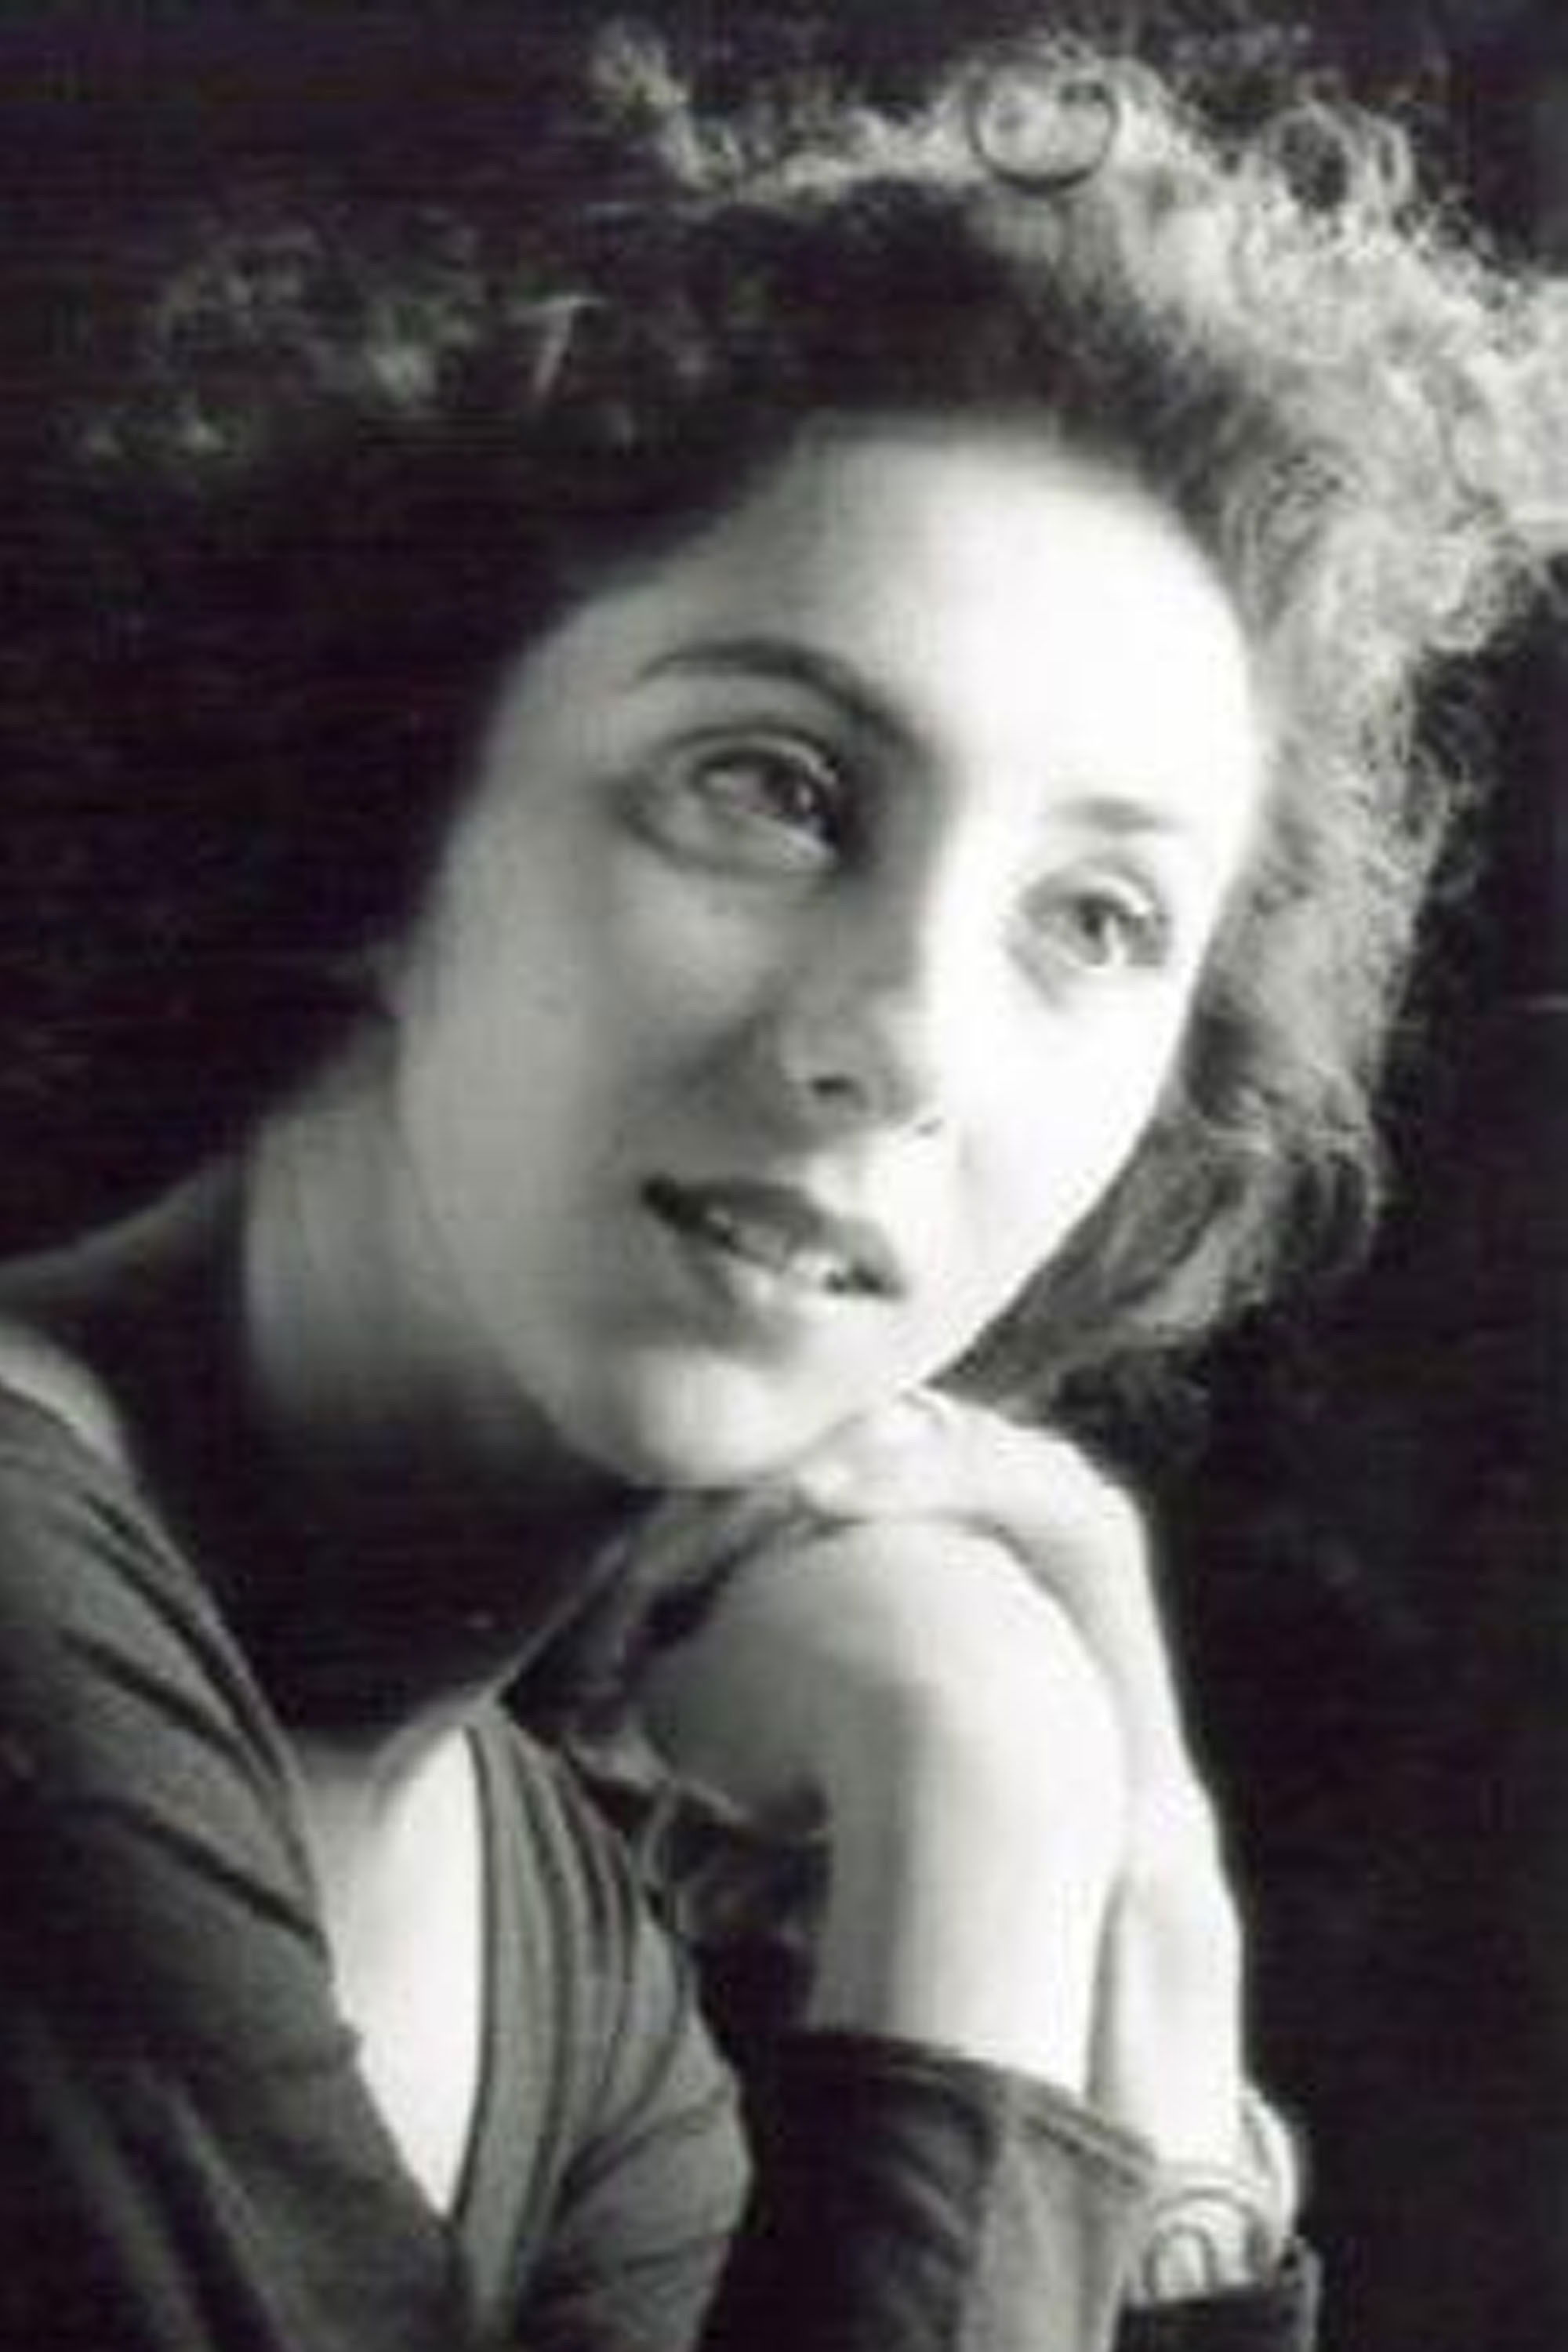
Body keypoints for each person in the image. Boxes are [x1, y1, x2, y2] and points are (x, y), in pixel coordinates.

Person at [0, 22, 1562, 2351]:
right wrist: (986, 1804)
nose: (905, 1044)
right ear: (391, 791)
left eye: (1094, 919)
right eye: (775, 788)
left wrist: (1154, 1949)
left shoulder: (549, 1925)